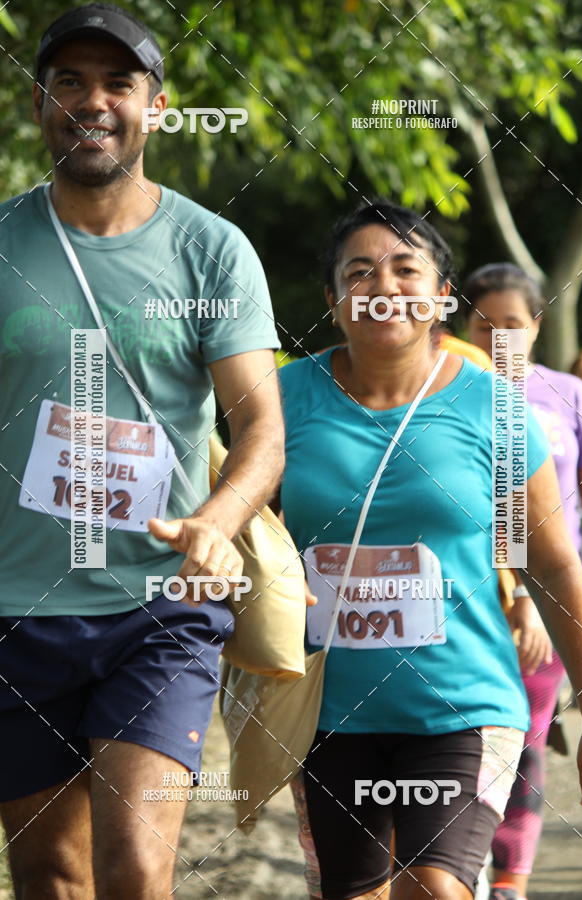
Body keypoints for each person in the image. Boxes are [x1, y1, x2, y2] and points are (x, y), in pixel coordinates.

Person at [0, 4, 283, 898]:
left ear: (156, 107)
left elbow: (262, 429)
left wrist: (216, 520)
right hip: (17, 609)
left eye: (118, 83)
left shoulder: (212, 251)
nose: (93, 101)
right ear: (40, 103)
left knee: (135, 865)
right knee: (49, 871)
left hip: (160, 610)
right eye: (70, 82)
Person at [279, 201, 582, 900]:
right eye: (358, 273)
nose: (383, 286)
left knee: (434, 889)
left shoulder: (498, 408)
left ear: (441, 298)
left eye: (405, 269)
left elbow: (550, 563)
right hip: (325, 711)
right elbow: (243, 533)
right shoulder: (282, 398)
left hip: (464, 702)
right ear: (333, 300)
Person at [464, 262, 582, 900]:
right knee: (460, 746)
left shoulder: (570, 395)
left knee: (523, 741)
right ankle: (461, 867)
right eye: (483, 325)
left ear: (538, 326)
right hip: (460, 604)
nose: (498, 341)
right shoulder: (439, 390)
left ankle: (510, 878)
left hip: (549, 603)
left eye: (512, 326)